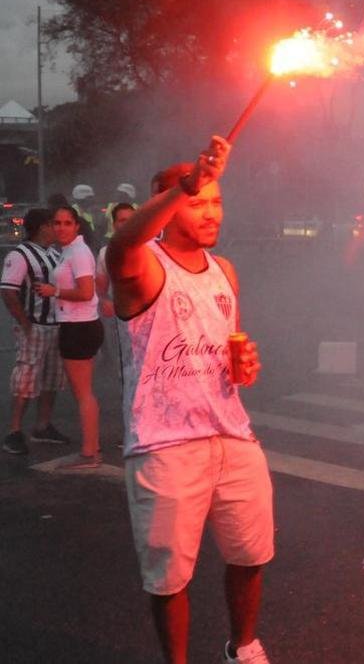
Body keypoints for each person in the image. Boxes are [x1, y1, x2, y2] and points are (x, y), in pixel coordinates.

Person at [107, 137, 271, 664]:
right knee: (169, 576)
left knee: (251, 553)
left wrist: (243, 367)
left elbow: (228, 350)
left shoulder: (225, 272)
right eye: (198, 201)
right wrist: (185, 183)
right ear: (169, 205)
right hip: (164, 444)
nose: (210, 211)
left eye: (216, 201)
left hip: (232, 434)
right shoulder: (144, 265)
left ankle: (242, 647)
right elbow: (121, 246)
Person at [35, 206, 104, 469]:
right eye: (57, 223)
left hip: (80, 326)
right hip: (77, 325)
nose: (61, 227)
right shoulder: (71, 251)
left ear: (77, 226)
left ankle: (88, 454)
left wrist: (54, 291)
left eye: (67, 223)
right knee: (83, 392)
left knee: (83, 393)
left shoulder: (79, 252)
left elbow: (86, 292)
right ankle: (92, 447)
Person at [1, 208, 69, 454]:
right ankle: (14, 431)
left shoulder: (52, 253)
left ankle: (42, 425)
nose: (57, 229)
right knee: (26, 377)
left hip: (55, 324)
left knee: (52, 376)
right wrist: (25, 323)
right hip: (35, 325)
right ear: (42, 227)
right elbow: (8, 290)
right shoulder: (20, 255)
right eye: (53, 224)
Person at [96, 202, 137, 383]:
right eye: (121, 220)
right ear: (114, 225)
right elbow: (101, 288)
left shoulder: (151, 249)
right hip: (119, 321)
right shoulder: (106, 253)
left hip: (148, 320)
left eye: (130, 220)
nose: (126, 224)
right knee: (125, 370)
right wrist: (104, 301)